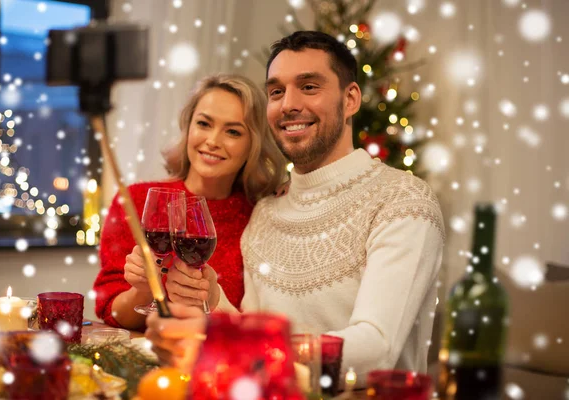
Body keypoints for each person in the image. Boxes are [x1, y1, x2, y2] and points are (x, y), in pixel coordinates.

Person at [147, 31, 445, 387]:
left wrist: (231, 344)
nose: (288, 104)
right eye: (276, 91)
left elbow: (375, 349)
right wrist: (213, 298)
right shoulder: (267, 212)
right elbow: (255, 330)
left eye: (309, 87)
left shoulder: (403, 200)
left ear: (350, 100)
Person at [93, 74, 287, 330]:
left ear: (253, 145)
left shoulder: (261, 214)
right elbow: (112, 313)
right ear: (188, 128)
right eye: (204, 124)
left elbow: (259, 323)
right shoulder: (136, 201)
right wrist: (143, 290)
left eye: (233, 131)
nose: (213, 141)